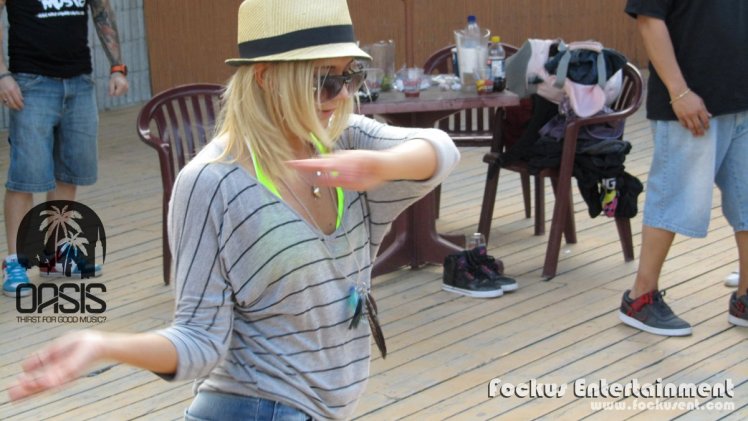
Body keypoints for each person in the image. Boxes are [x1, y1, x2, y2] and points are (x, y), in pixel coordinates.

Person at [8, 0, 460, 419]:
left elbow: (440, 150)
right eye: (325, 79)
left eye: (352, 76)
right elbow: (198, 341)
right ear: (265, 77)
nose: (342, 95)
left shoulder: (345, 140)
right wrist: (104, 345)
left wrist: (381, 167)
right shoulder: (213, 183)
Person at [618, 0, 748, 336]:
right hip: (690, 105)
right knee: (674, 198)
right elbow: (649, 19)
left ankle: (746, 298)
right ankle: (640, 298)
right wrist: (679, 92)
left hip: (742, 100)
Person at [1, 0, 129, 296]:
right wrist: (2, 75)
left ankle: (56, 255)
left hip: (80, 83)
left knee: (69, 173)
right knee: (25, 176)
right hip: (30, 84)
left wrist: (117, 67)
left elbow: (102, 11)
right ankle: (15, 262)